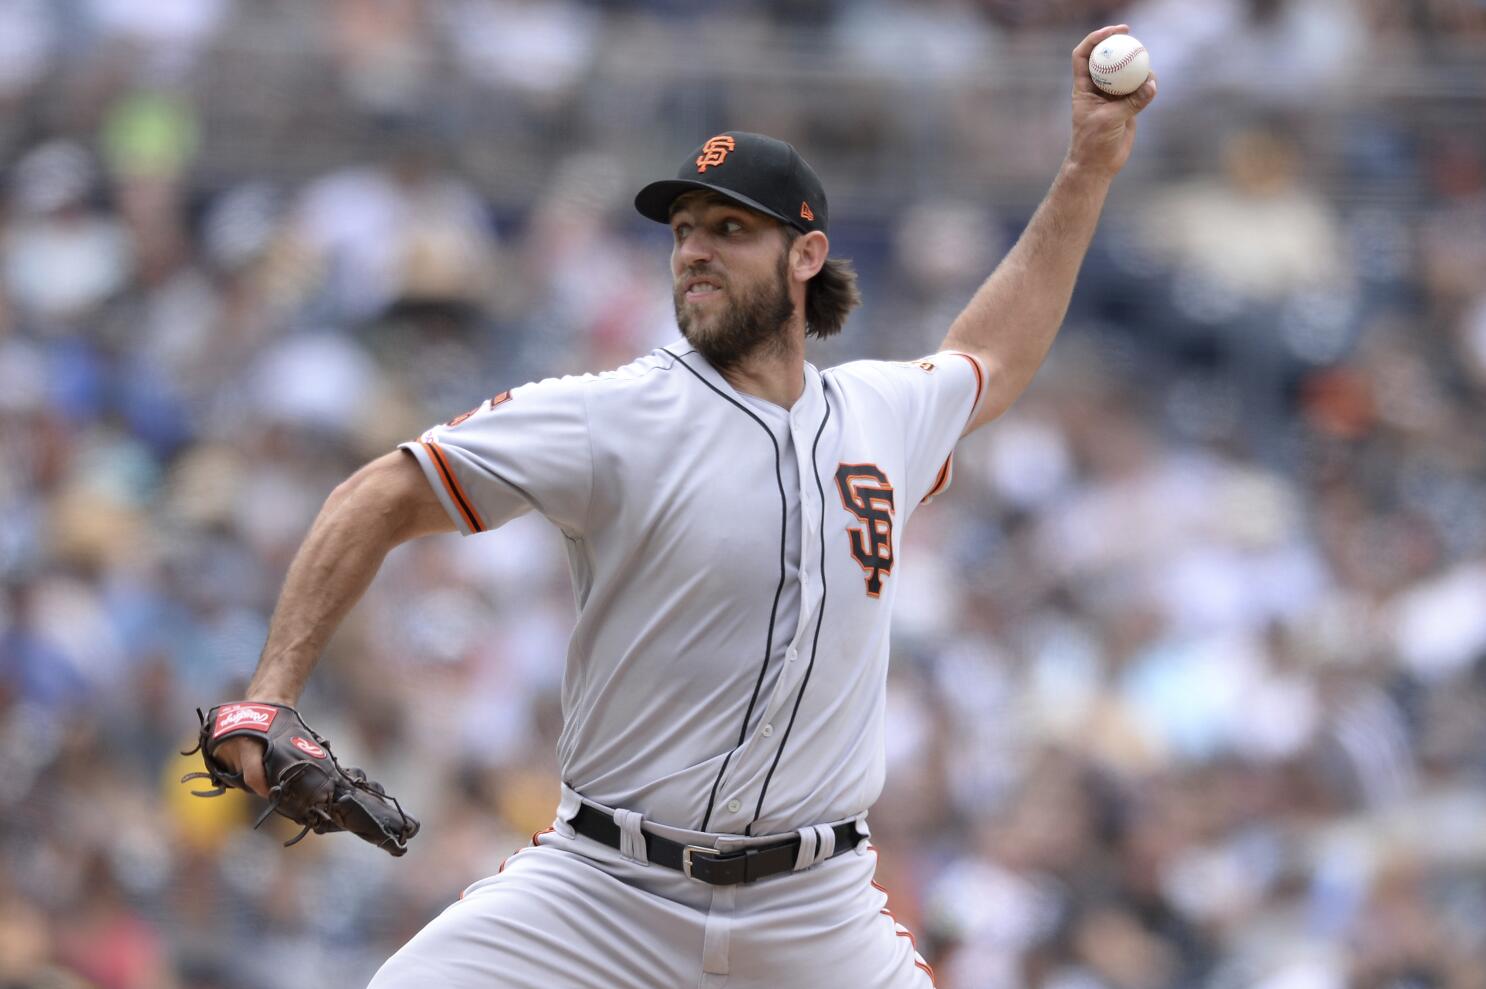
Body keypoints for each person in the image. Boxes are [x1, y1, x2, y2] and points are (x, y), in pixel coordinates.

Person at [210, 25, 1157, 988]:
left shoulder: (882, 412)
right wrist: (272, 690)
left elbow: (992, 357)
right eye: (684, 230)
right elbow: (380, 492)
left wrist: (1088, 165)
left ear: (807, 255)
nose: (695, 251)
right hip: (603, 889)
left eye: (730, 229)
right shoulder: (611, 414)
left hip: (815, 907)